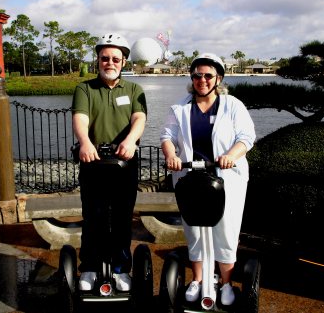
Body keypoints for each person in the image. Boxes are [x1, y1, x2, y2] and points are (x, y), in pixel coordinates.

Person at [160, 53, 256, 306]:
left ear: (218, 79)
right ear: (192, 79)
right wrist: (171, 155)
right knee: (195, 230)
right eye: (197, 75)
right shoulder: (180, 107)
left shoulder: (232, 105)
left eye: (208, 76)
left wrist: (231, 155)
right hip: (191, 178)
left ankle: (226, 283)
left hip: (226, 178)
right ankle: (198, 279)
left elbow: (246, 137)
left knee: (226, 230)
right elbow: (167, 136)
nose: (202, 80)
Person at [72, 33, 147, 292]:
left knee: (122, 218)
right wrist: (85, 142)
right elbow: (80, 118)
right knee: (93, 216)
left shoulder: (134, 90)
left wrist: (131, 141)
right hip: (93, 162)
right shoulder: (85, 88)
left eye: (116, 58)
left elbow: (139, 119)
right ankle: (90, 266)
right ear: (98, 60)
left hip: (124, 163)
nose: (110, 62)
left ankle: (120, 268)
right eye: (105, 58)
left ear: (124, 62)